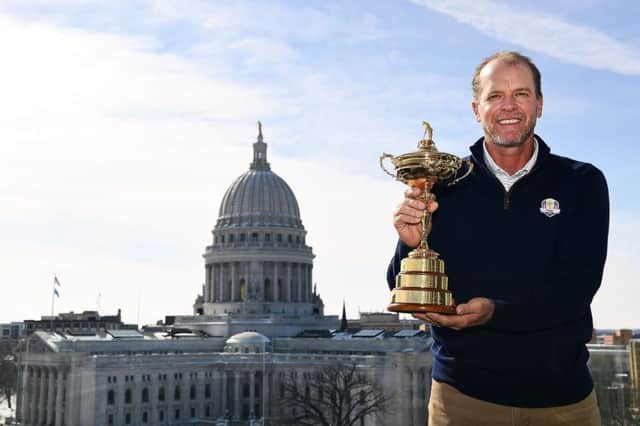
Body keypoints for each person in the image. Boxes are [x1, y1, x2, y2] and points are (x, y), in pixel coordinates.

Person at [387, 51, 609, 425]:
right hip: (461, 399)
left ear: (539, 105)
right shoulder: (442, 183)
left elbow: (575, 290)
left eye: (521, 94)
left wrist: (493, 312)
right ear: (477, 109)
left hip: (561, 402)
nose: (508, 106)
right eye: (494, 96)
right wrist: (410, 241)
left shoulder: (582, 182)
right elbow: (401, 286)